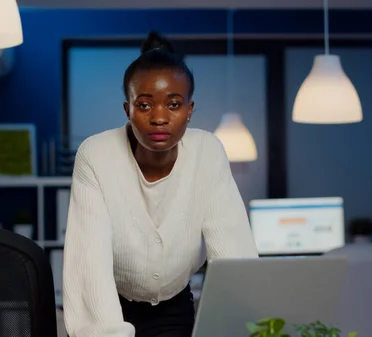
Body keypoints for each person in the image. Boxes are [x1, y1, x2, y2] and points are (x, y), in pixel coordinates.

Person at [62, 30, 258, 337]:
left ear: (189, 111)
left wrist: (240, 323)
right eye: (144, 105)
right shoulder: (96, 155)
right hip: (112, 304)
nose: (159, 118)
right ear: (127, 110)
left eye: (174, 104)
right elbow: (89, 263)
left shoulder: (208, 152)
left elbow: (233, 256)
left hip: (174, 306)